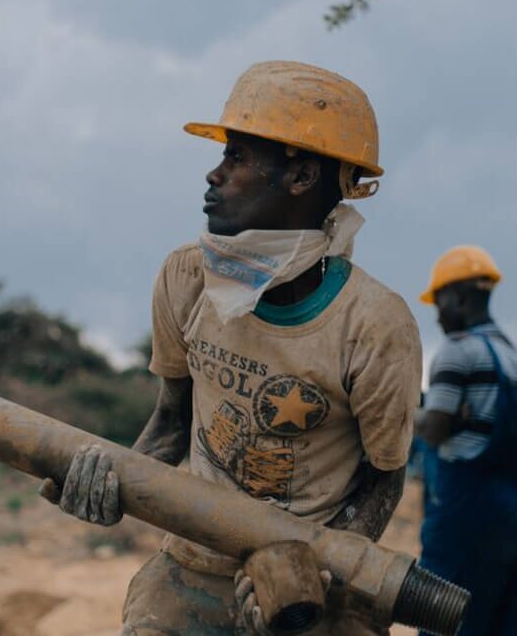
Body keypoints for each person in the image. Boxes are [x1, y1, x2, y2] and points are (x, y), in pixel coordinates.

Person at [39, 61, 423, 635]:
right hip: (195, 566)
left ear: (301, 178)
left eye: (237, 157)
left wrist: (317, 575)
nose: (213, 175)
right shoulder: (186, 278)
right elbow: (171, 421)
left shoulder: (374, 325)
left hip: (313, 585)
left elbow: (384, 478)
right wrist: (107, 480)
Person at [416, 245, 517, 636]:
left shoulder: (457, 351)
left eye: (439, 302)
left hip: (467, 512)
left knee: (443, 618)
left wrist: (413, 414)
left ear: (459, 298)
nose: (437, 314)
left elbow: (434, 430)